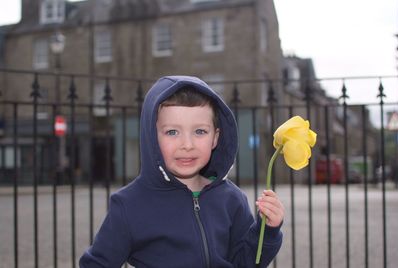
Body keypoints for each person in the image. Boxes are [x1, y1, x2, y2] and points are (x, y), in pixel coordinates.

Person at [79, 76, 284, 267]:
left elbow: (246, 262)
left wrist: (267, 231)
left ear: (215, 137)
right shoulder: (129, 204)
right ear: (152, 136)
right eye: (172, 132)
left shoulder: (232, 199)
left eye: (200, 131)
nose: (187, 144)